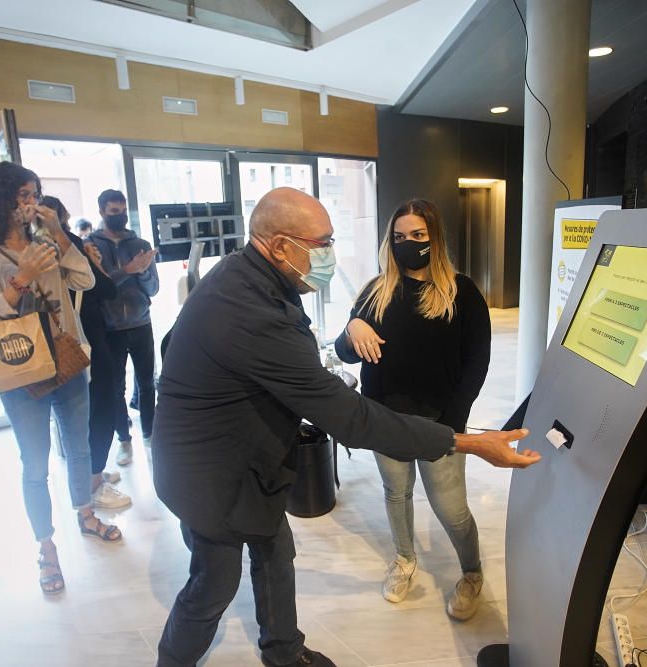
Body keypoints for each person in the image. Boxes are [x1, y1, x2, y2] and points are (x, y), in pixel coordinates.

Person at [152, 187, 541, 667]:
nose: (329, 254)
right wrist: (466, 442)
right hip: (212, 476)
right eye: (321, 243)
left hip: (251, 464)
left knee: (276, 553)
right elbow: (348, 416)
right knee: (214, 584)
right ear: (279, 246)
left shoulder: (252, 279)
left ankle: (285, 651)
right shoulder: (250, 309)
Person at [0, 163, 122, 596]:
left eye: (34, 194)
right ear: (1, 199)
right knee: (35, 462)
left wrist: (61, 237)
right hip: (20, 368)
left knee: (79, 448)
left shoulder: (45, 238)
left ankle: (86, 515)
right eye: (23, 195)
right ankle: (46, 546)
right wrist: (22, 279)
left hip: (66, 357)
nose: (30, 202)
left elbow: (85, 279)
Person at [334, 198, 491, 620]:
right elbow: (345, 353)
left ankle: (472, 572)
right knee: (396, 493)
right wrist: (353, 327)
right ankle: (405, 559)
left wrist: (454, 424)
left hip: (440, 420)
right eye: (400, 237)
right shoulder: (375, 292)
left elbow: (477, 363)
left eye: (418, 236)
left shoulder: (463, 292)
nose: (408, 244)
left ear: (434, 238)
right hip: (384, 418)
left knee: (451, 508)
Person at [41, 195, 131, 510]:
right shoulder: (69, 247)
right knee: (99, 410)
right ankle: (93, 482)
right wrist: (94, 264)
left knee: (82, 413)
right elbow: (107, 290)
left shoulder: (37, 249)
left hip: (67, 340)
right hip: (88, 338)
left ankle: (90, 475)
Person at [88, 189, 160, 466]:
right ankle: (124, 440)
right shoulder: (91, 247)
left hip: (142, 322)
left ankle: (150, 435)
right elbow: (98, 290)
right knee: (116, 386)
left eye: (123, 210)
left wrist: (142, 272)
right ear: (102, 211)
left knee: (146, 383)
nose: (119, 216)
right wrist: (126, 271)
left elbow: (153, 289)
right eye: (113, 212)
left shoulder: (139, 243)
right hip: (110, 327)